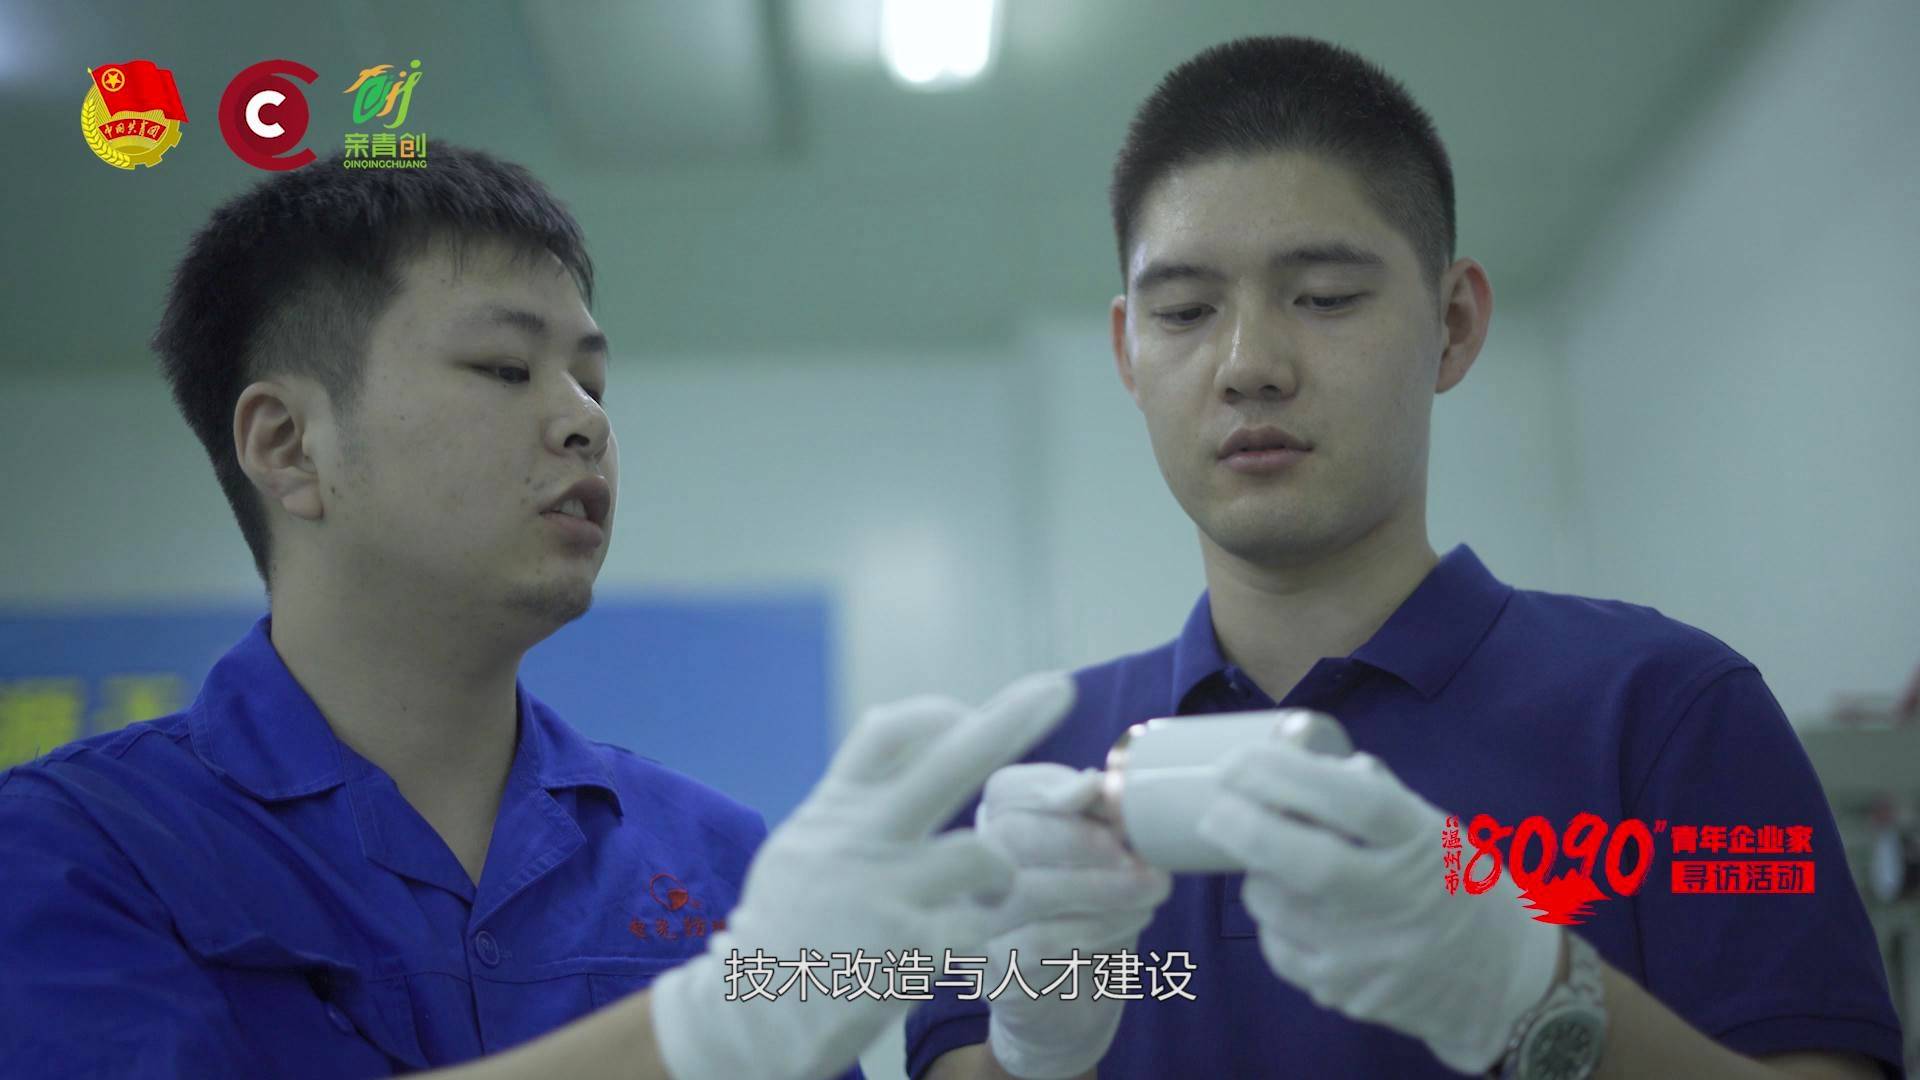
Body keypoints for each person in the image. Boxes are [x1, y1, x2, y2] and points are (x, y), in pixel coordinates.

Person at [908, 35, 1905, 1080]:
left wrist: (1541, 995)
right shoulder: (1032, 779)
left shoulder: (1667, 714)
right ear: (1128, 352)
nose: (1249, 365)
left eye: (1325, 296)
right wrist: (1034, 1050)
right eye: (1186, 312)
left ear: (1454, 323)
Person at [0, 144, 1089, 1080]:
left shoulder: (715, 859)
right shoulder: (82, 848)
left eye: (593, 385)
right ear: (289, 446)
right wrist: (698, 1033)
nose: (584, 424)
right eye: (505, 367)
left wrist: (1035, 1044)